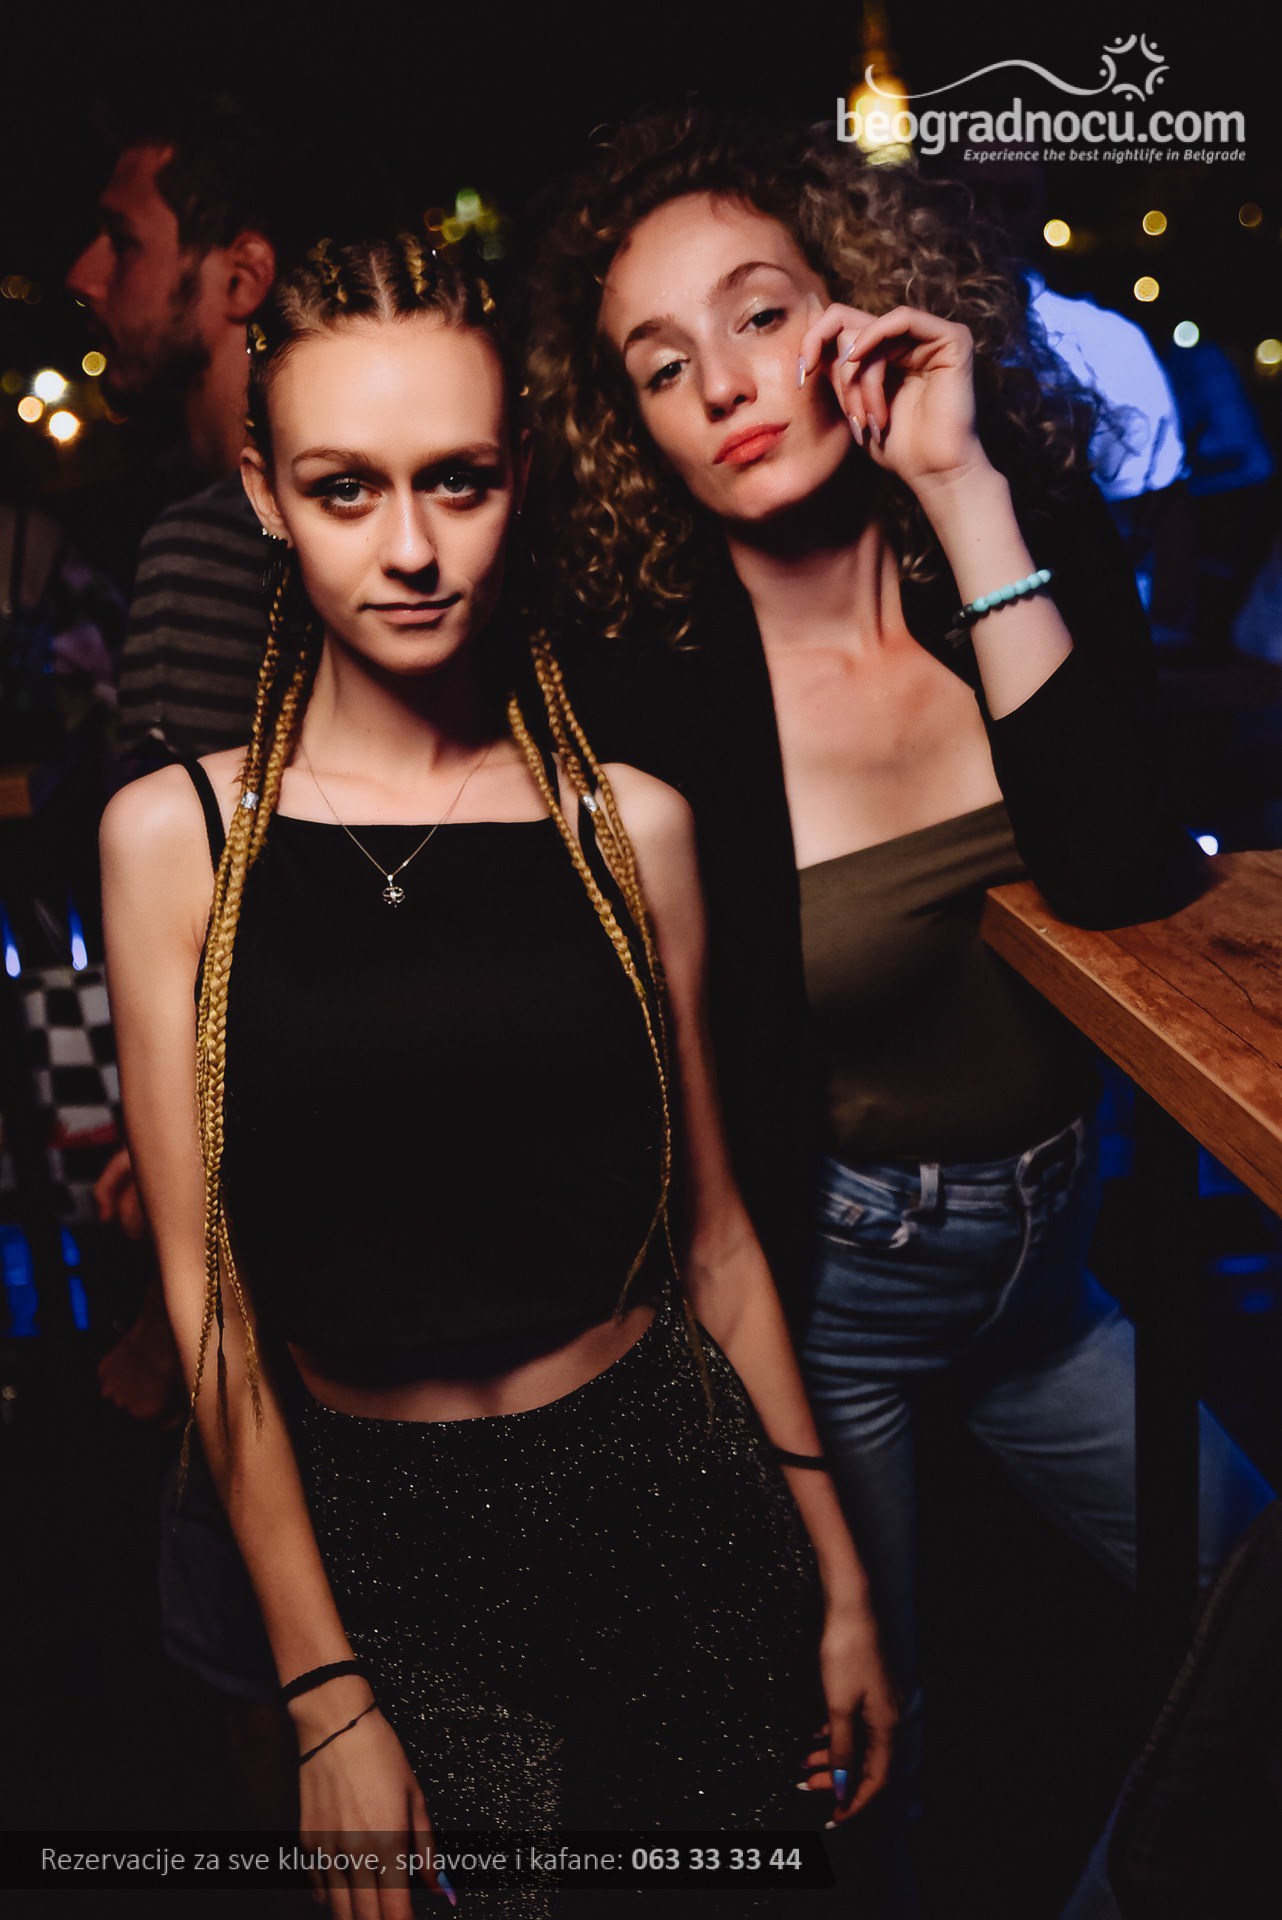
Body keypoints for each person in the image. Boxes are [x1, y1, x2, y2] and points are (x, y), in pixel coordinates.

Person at [520, 108, 1275, 1911]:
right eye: (662, 365)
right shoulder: (648, 699)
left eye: (758, 312)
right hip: (830, 1295)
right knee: (866, 1761)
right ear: (630, 430)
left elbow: (1117, 876)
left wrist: (958, 482)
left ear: (853, 306)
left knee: (1254, 1623)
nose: (723, 383)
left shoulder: (1002, 544)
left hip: (1050, 1275)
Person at [99, 232, 897, 1919]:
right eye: (344, 489)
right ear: (263, 496)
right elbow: (210, 1297)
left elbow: (715, 1244)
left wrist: (833, 1574)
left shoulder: (631, 825)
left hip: (664, 1499)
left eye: (454, 481)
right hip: (375, 1541)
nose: (408, 549)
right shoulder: (178, 838)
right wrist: (326, 1690)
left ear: (516, 476)